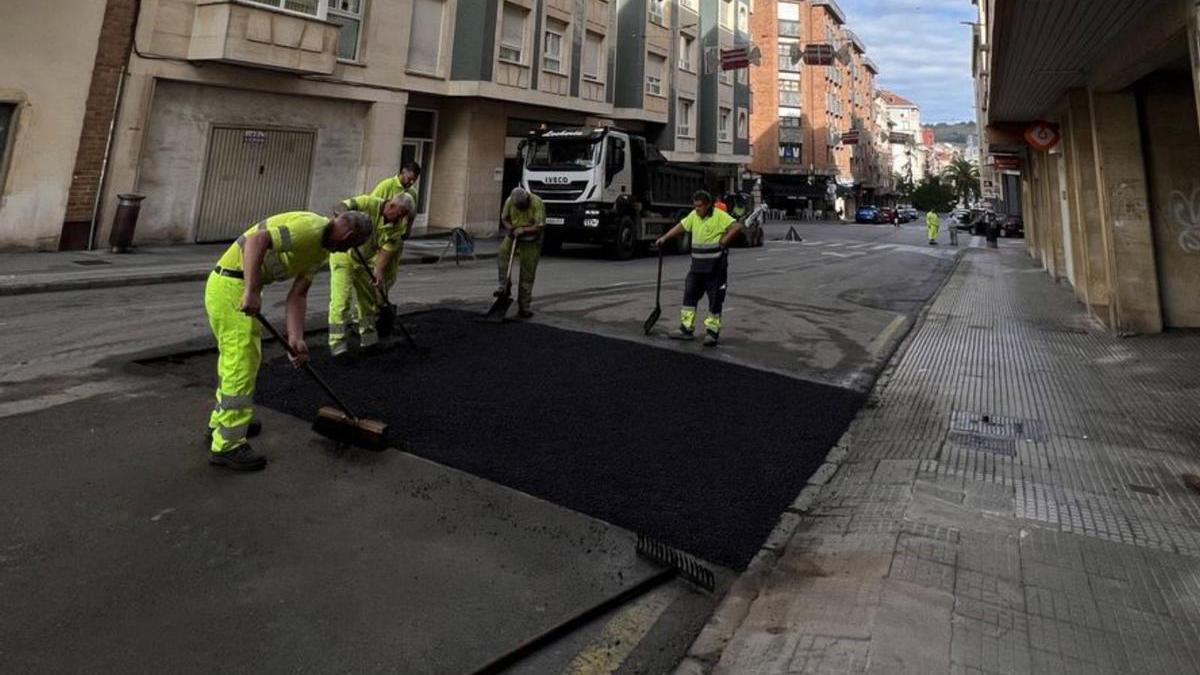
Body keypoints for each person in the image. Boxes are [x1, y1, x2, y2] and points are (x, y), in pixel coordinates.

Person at [205, 211, 373, 471]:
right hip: (231, 285)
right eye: (350, 246)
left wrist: (296, 339)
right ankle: (227, 446)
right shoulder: (310, 229)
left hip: (235, 285)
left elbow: (298, 296)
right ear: (349, 236)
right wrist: (250, 291)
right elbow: (257, 240)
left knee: (237, 360)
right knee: (241, 361)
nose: (345, 251)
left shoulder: (320, 250)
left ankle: (224, 423)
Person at [327, 194, 415, 357]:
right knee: (341, 301)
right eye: (401, 213)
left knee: (367, 302)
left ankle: (368, 340)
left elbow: (386, 250)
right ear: (392, 206)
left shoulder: (396, 227)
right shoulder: (367, 203)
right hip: (343, 257)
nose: (401, 219)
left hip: (365, 261)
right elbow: (340, 207)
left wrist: (379, 272)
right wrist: (347, 229)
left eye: (404, 216)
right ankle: (337, 346)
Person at [655, 190, 745, 347]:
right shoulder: (693, 216)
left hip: (715, 268)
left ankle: (711, 333)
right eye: (695, 206)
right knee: (689, 296)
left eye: (699, 206)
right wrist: (665, 238)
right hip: (697, 268)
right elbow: (681, 226)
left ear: (708, 205)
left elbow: (737, 226)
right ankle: (686, 329)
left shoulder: (719, 216)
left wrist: (725, 239)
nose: (696, 209)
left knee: (715, 300)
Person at [497, 187, 546, 318]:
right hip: (514, 234)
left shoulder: (537, 202)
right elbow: (504, 218)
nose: (519, 207)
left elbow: (540, 225)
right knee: (502, 254)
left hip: (532, 239)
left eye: (522, 205)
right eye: (517, 206)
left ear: (527, 199)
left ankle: (524, 307)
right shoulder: (510, 201)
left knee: (527, 272)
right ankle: (503, 286)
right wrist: (510, 228)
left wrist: (524, 230)